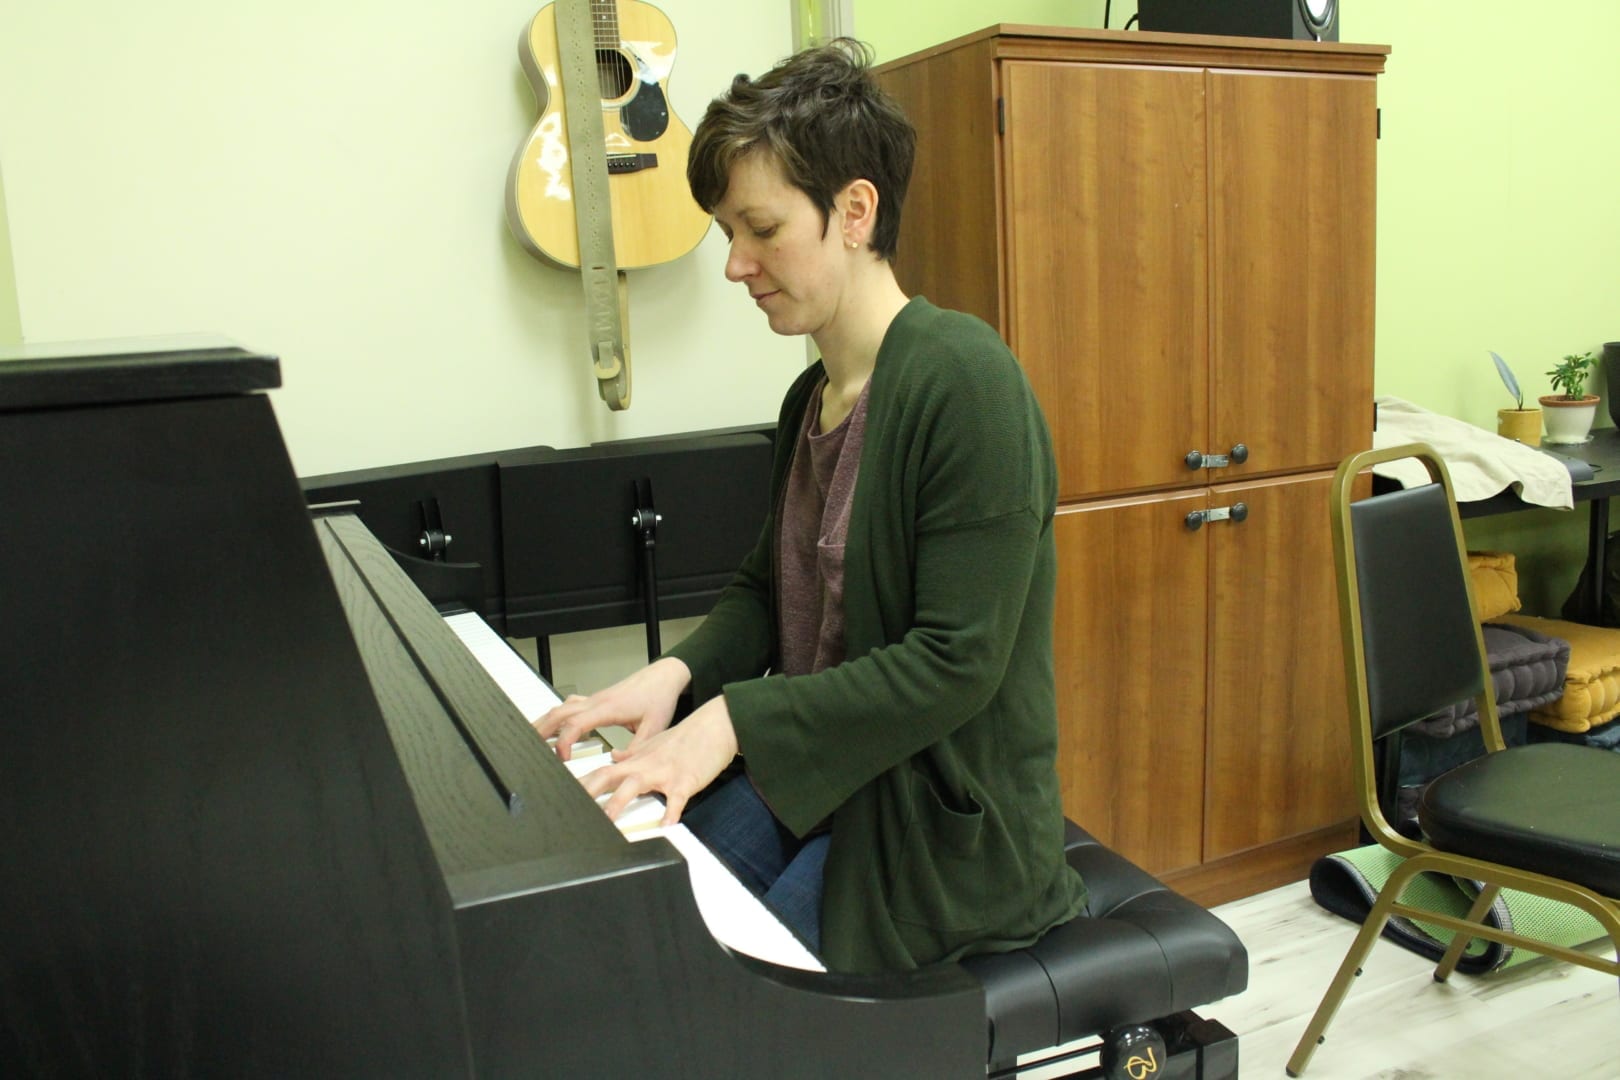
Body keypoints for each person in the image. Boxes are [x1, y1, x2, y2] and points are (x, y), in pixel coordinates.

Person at [535, 38, 1087, 974]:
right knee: (648, 922)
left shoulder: (968, 382)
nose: (736, 265)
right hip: (830, 776)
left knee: (737, 989)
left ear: (855, 213)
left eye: (761, 229)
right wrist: (674, 679)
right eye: (728, 236)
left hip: (930, 820)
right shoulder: (813, 397)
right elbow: (766, 591)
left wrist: (733, 721)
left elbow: (955, 663)